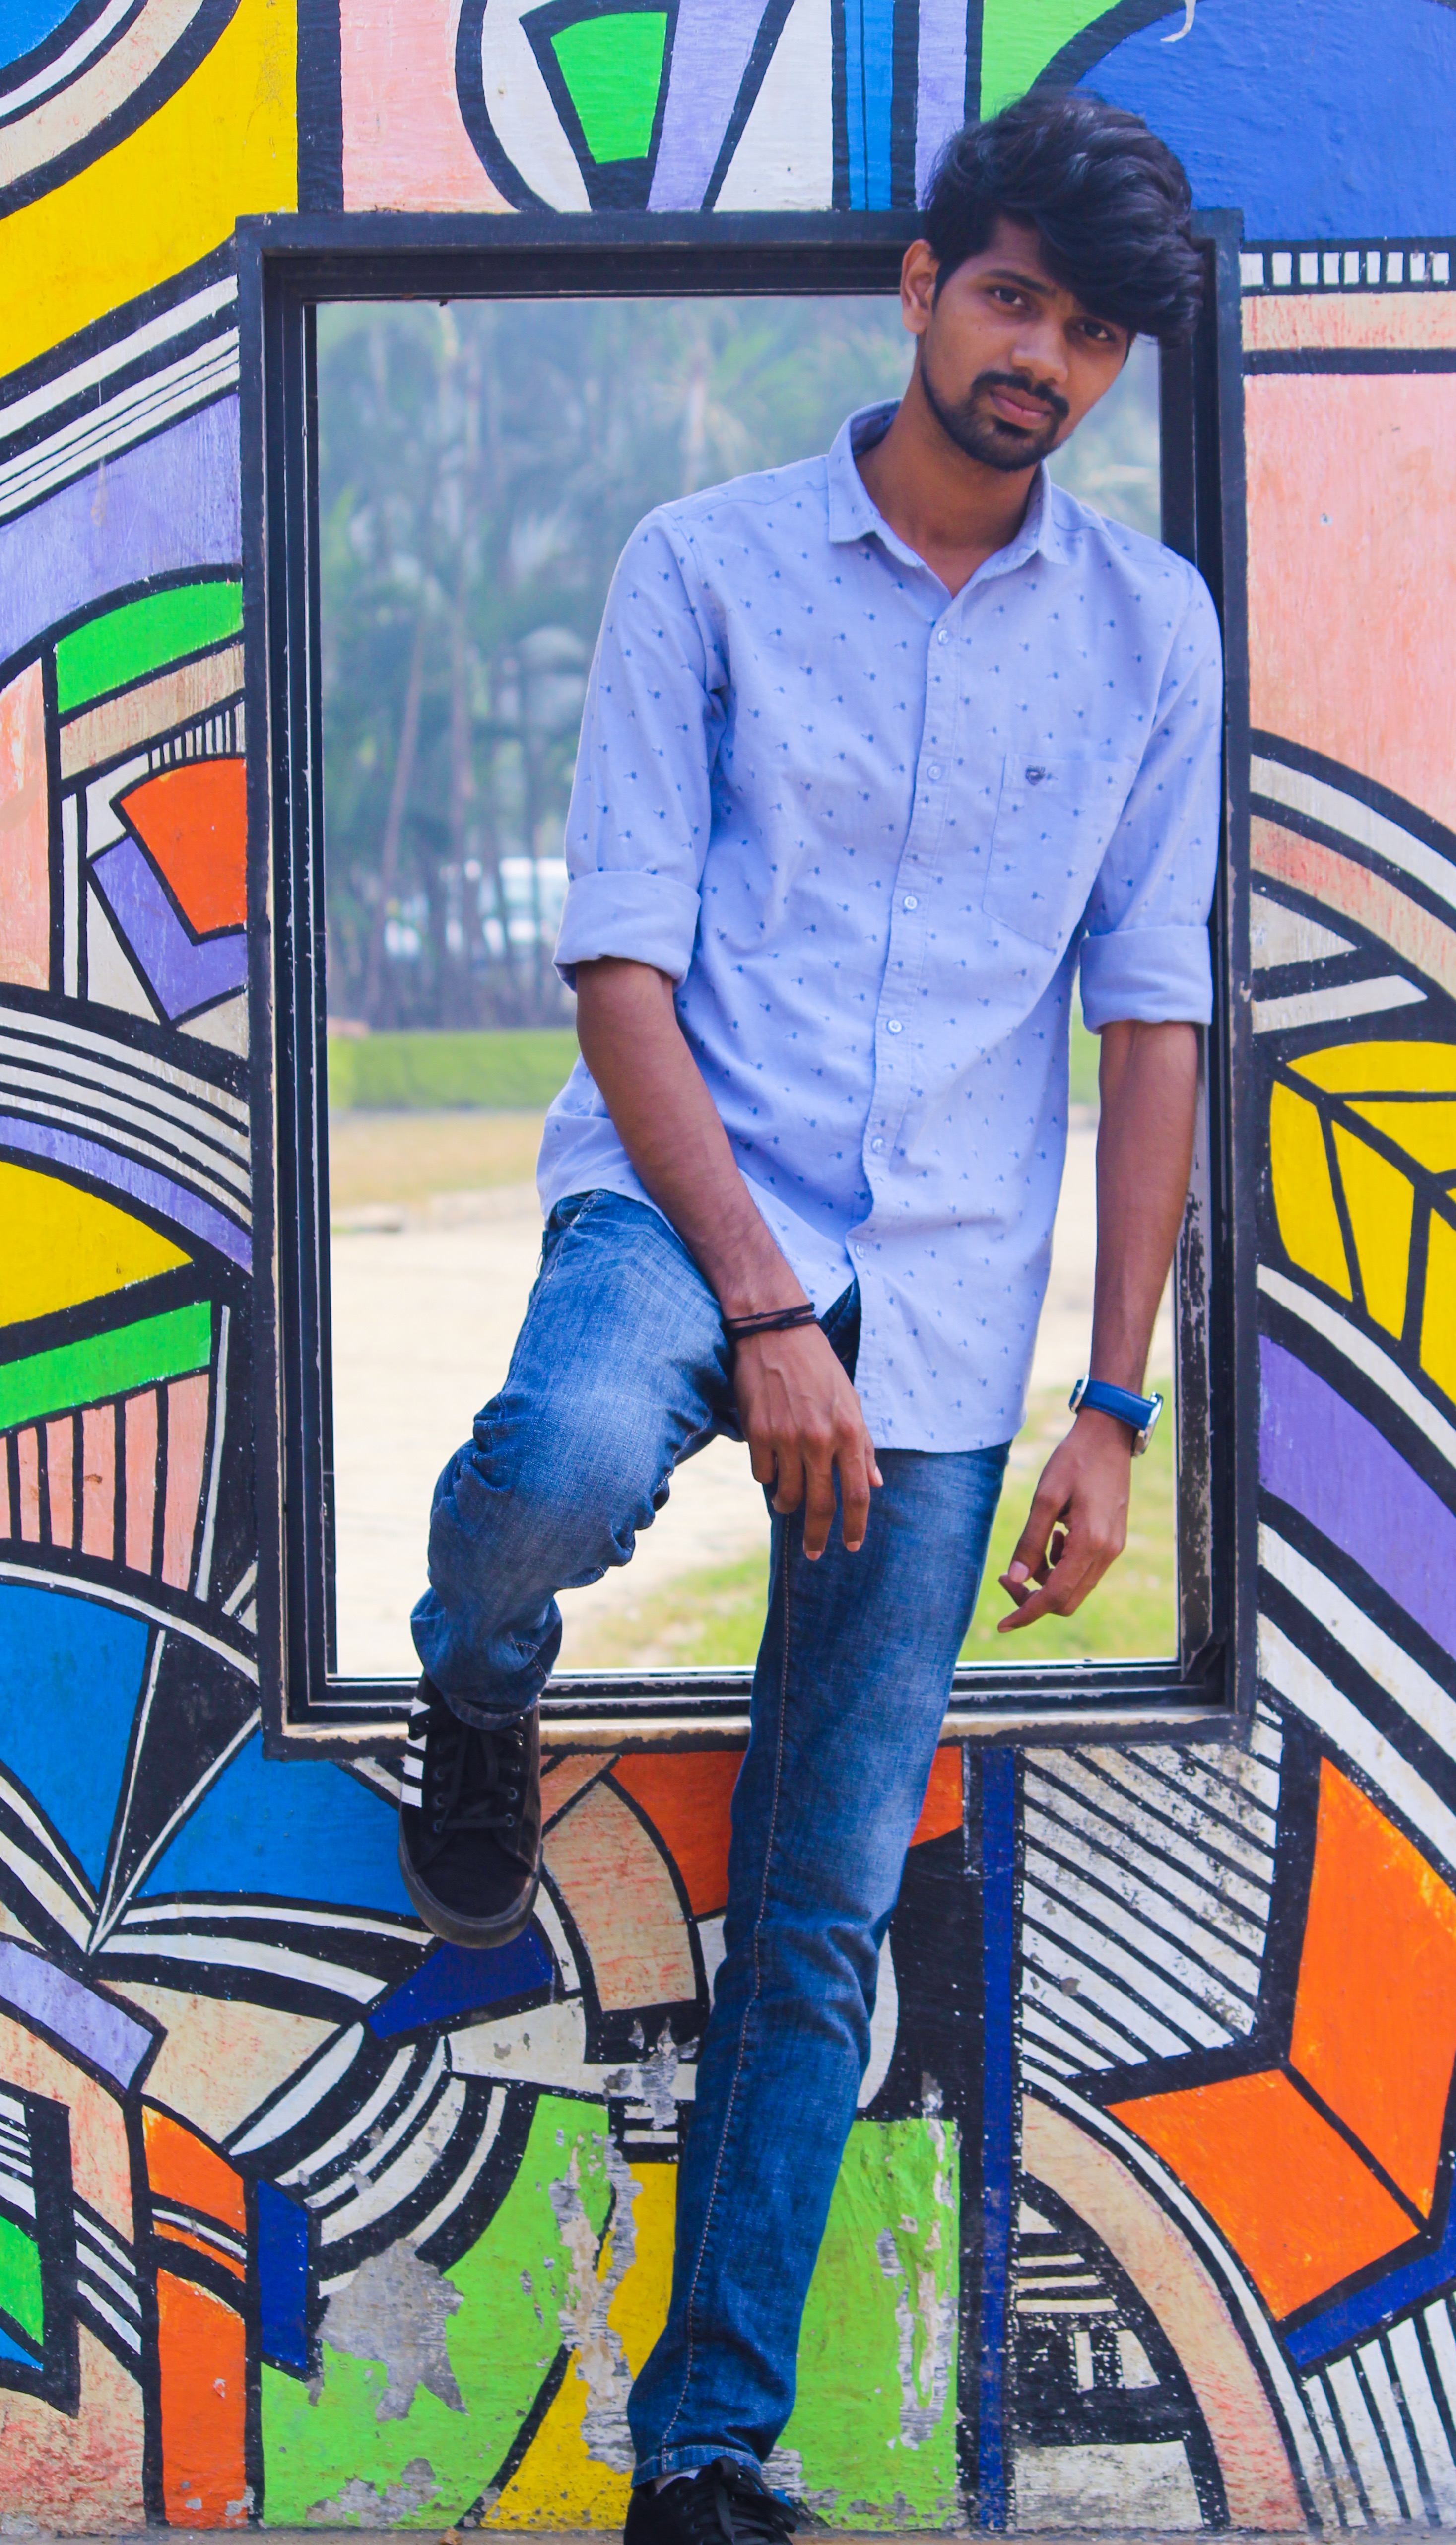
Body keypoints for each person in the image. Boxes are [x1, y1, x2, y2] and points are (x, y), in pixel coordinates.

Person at [397, 86, 1220, 2545]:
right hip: (688, 1204)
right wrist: (761, 1305)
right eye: (1013, 300)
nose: (1043, 362)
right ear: (922, 283)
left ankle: (706, 2449)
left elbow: (1150, 1018)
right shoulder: (706, 566)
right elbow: (617, 968)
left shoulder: (1147, 636)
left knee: (823, 1893)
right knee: (554, 1469)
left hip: (952, 1299)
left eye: (1090, 337)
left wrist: (1113, 1400)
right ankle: (475, 1676)